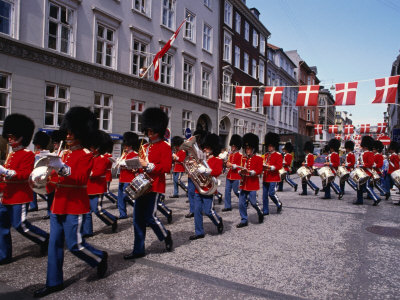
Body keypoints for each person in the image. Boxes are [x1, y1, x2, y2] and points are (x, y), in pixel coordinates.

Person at [34, 107, 108, 297]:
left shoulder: (85, 154)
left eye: (71, 132)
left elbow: (81, 178)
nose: (68, 135)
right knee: (55, 244)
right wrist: (44, 179)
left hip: (75, 204)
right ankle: (54, 282)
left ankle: (99, 258)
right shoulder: (64, 153)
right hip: (58, 203)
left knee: (75, 244)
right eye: (67, 131)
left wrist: (61, 169)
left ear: (80, 133)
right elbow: (56, 181)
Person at [123, 107, 173, 260]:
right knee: (137, 218)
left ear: (159, 129)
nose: (150, 134)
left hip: (155, 185)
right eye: (148, 131)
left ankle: (165, 235)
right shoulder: (143, 147)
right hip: (141, 185)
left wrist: (148, 166)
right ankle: (138, 249)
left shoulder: (165, 146)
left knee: (150, 217)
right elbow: (140, 165)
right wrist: (132, 166)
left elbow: (166, 167)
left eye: (152, 131)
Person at [0, 114, 49, 266]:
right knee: (1, 226)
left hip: (20, 196)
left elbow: (26, 174)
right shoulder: (11, 154)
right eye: (9, 136)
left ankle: (43, 238)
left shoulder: (27, 154)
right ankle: (4, 255)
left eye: (13, 137)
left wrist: (7, 172)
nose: (10, 139)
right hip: (6, 195)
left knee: (20, 225)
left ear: (21, 137)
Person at [83, 130, 118, 237]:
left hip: (97, 188)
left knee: (98, 210)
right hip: (88, 187)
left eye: (92, 147)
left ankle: (112, 221)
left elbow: (98, 172)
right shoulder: (90, 157)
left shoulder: (103, 159)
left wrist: (87, 173)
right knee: (87, 211)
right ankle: (87, 231)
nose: (91, 149)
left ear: (98, 148)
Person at [189, 133, 224, 240]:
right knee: (197, 210)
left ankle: (218, 221)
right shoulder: (200, 159)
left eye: (208, 148)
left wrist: (207, 171)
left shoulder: (217, 160)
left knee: (208, 211)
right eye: (205, 147)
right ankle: (199, 232)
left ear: (213, 149)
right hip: (198, 188)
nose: (205, 149)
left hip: (209, 188)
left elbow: (217, 171)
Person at [236, 133, 264, 228]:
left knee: (253, 202)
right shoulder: (244, 159)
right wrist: (240, 171)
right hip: (244, 184)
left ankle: (259, 211)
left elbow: (260, 170)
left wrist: (253, 172)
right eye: (246, 149)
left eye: (249, 149)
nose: (247, 150)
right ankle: (244, 220)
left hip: (252, 184)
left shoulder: (258, 158)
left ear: (253, 149)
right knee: (241, 203)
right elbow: (241, 168)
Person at [185, 129, 207, 218]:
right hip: (192, 174)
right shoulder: (192, 149)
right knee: (190, 193)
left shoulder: (204, 150)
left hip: (200, 174)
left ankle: (201, 209)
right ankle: (192, 210)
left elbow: (205, 162)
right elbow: (189, 159)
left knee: (199, 193)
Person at [116, 132, 139, 219]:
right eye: (125, 145)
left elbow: (135, 166)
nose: (125, 146)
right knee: (120, 198)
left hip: (129, 178)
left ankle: (138, 209)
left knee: (127, 196)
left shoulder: (135, 154)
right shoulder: (124, 154)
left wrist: (125, 164)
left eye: (127, 145)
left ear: (131, 145)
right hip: (122, 178)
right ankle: (122, 214)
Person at [353, 136, 381, 206]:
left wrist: (361, 166)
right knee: (359, 186)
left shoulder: (370, 153)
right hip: (361, 173)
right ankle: (359, 200)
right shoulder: (363, 154)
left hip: (367, 173)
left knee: (367, 187)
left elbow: (370, 164)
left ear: (365, 146)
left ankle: (376, 198)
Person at [29, 131, 51, 212]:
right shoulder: (48, 154)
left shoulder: (38, 155)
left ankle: (36, 205)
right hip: (39, 176)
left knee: (45, 192)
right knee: (35, 189)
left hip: (45, 176)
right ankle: (34, 205)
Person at [262, 132, 283, 215]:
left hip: (274, 177)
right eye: (268, 146)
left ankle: (278, 203)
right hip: (266, 177)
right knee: (264, 196)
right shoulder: (266, 155)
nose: (269, 148)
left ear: (274, 146)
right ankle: (265, 211)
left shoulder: (278, 155)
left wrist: (271, 167)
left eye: (271, 146)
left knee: (271, 193)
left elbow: (279, 166)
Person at [222, 134, 242, 212]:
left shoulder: (240, 155)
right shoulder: (230, 154)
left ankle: (244, 199)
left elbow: (240, 166)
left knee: (236, 191)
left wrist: (232, 165)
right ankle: (227, 206)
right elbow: (228, 164)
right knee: (227, 191)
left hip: (236, 175)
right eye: (232, 146)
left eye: (234, 146)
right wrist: (226, 163)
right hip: (229, 175)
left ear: (237, 146)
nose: (232, 147)